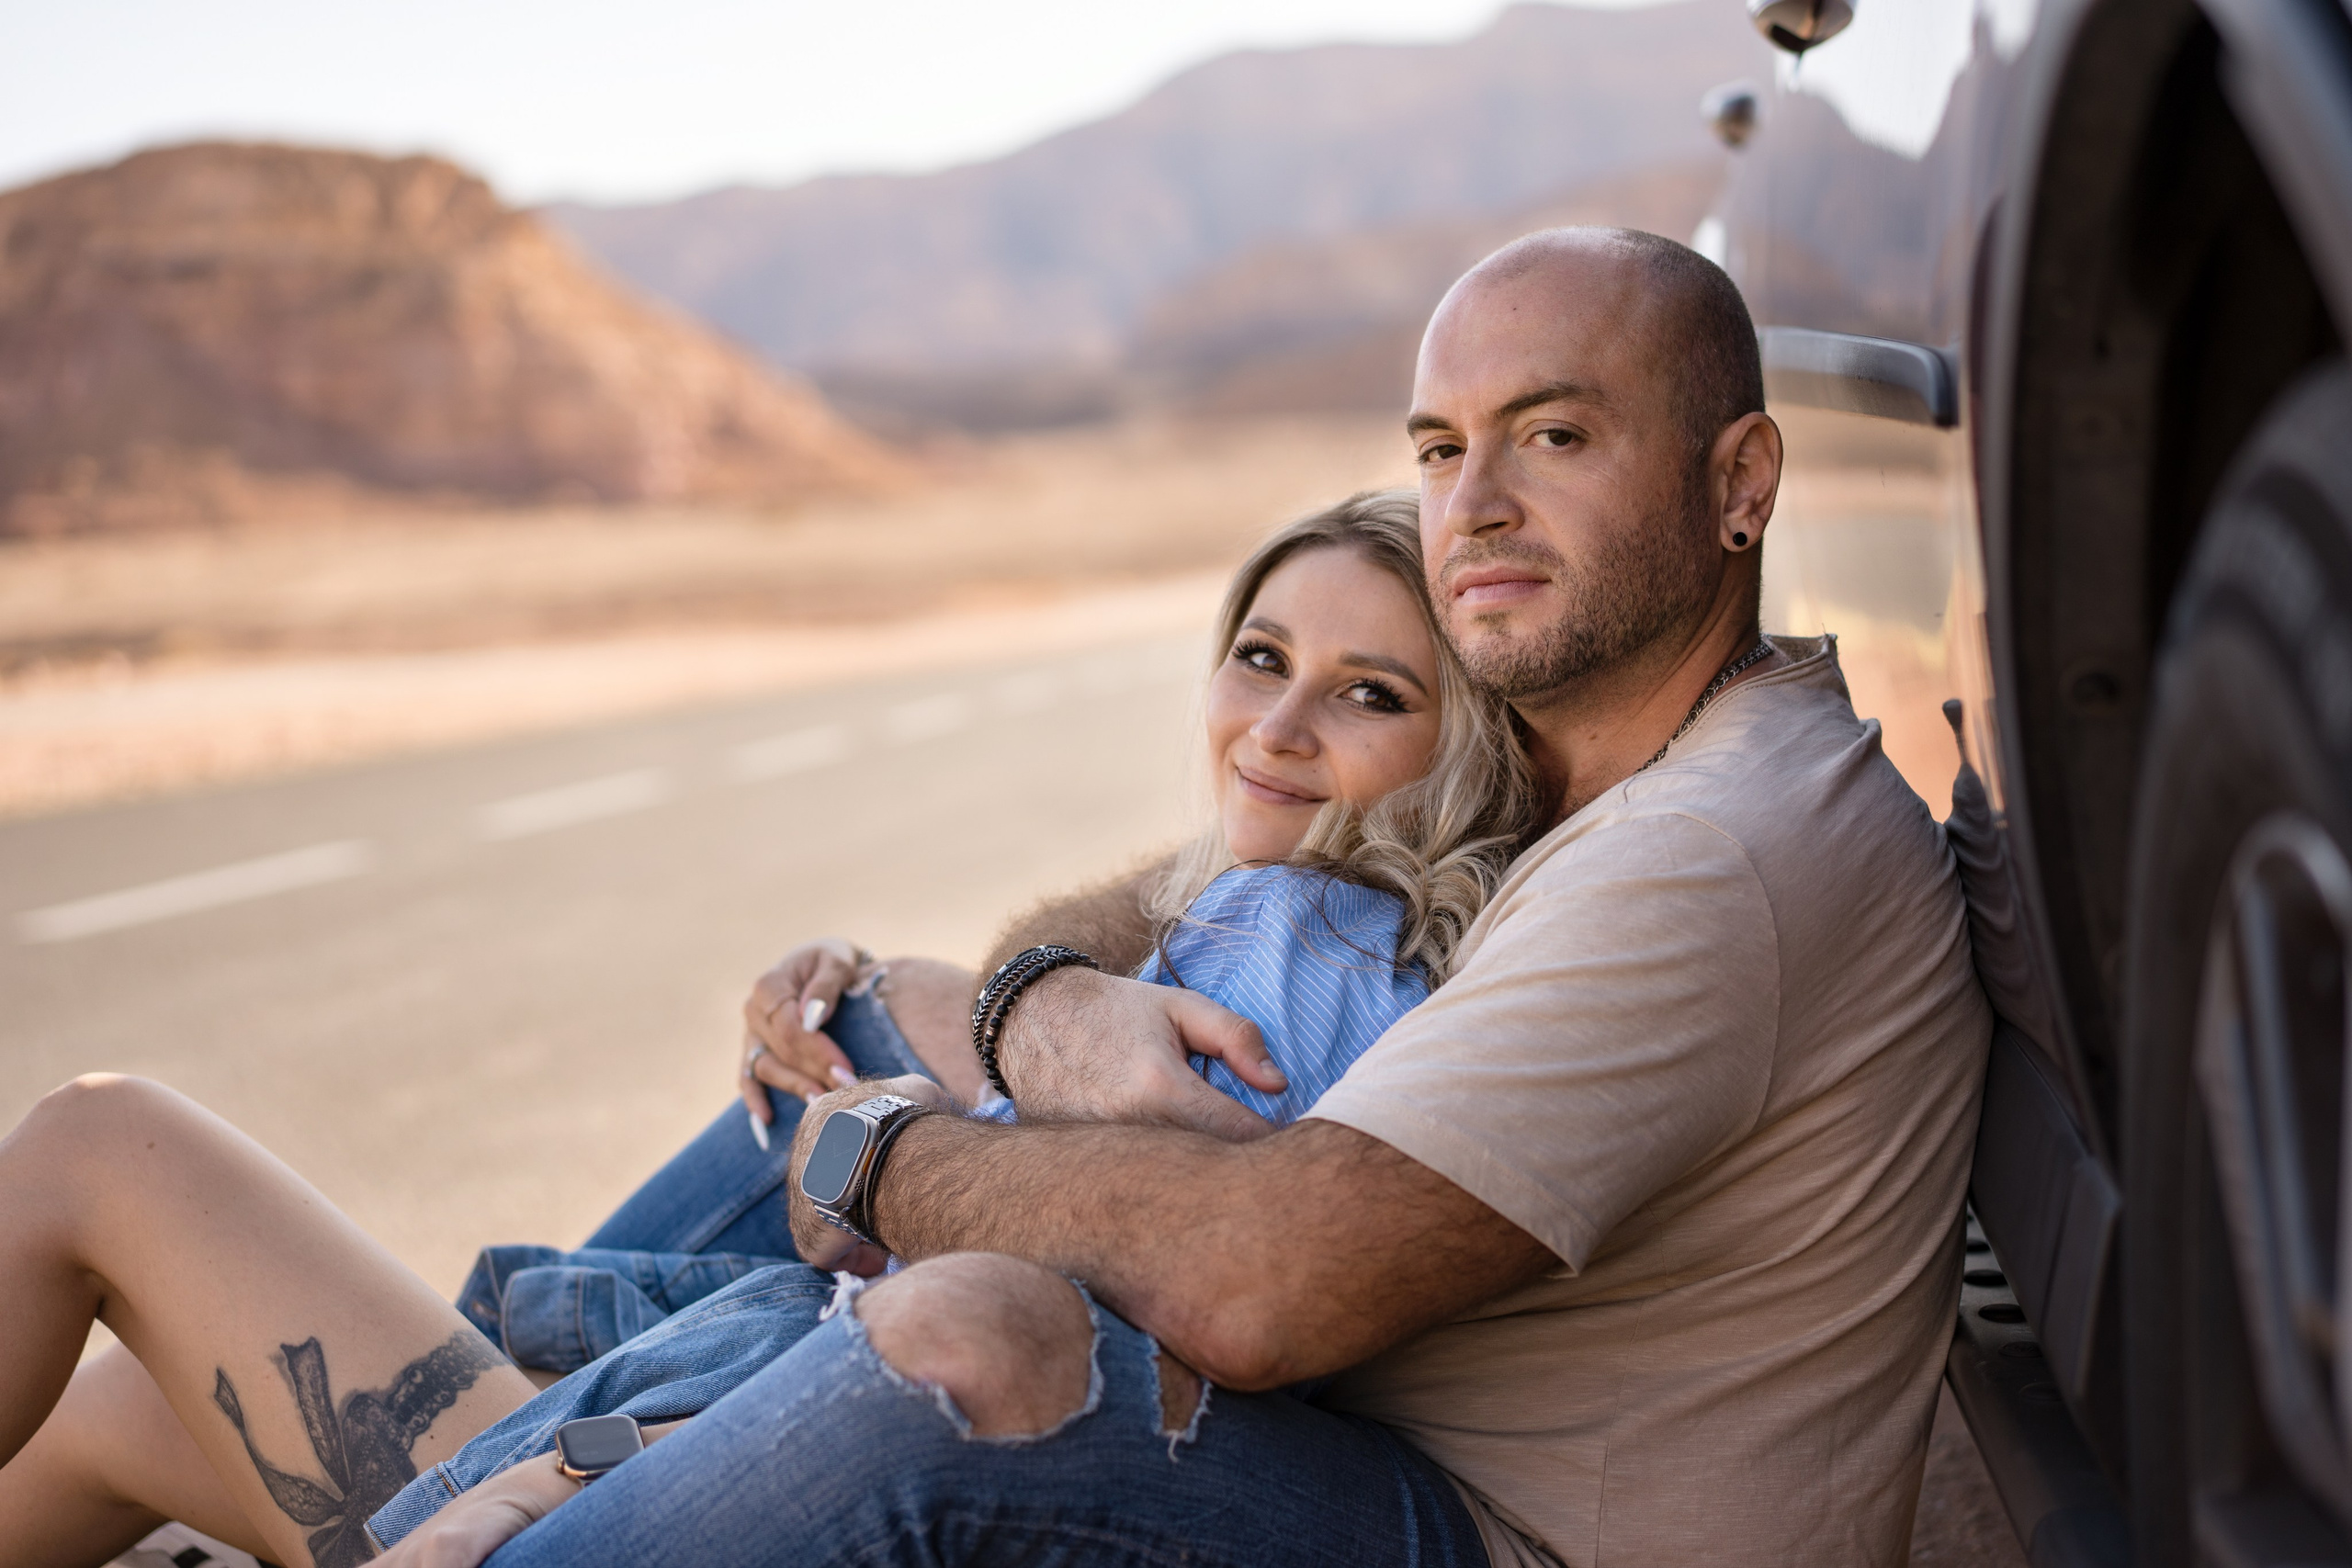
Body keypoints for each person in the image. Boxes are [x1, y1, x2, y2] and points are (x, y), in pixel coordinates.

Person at [370, 225, 1989, 1568]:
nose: (1474, 505)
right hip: (1372, 1461)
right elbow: (1170, 899)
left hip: (1496, 1533)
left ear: (1742, 482)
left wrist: (878, 1153)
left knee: (969, 1335)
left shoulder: (1707, 847)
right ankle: (512, 1428)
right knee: (873, 1034)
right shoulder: (1606, 767)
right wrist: (1035, 1005)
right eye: (1441, 450)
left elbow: (1258, 1284)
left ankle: (498, 1455)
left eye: (1555, 437)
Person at [0, 492, 1536, 1568]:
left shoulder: (1318, 958)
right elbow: (1026, 1014)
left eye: (1370, 694)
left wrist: (559, 1468)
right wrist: (897, 985)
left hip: (728, 1455)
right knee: (144, 1389)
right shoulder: (1250, 918)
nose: (1275, 725)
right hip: (714, 1409)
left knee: (99, 1141)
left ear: (1464, 751)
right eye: (1261, 657)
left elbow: (1001, 1316)